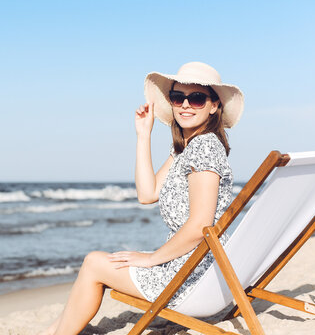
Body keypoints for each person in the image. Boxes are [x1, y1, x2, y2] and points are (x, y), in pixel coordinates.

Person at [40, 61, 244, 335]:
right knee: (100, 263)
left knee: (94, 263)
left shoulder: (205, 147)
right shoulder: (187, 149)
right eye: (177, 97)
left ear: (214, 106)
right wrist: (143, 135)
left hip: (193, 277)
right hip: (194, 268)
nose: (185, 105)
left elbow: (200, 227)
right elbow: (147, 194)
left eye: (196, 98)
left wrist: (151, 259)